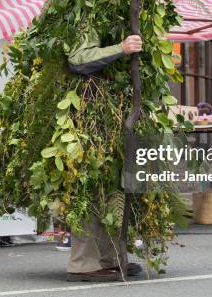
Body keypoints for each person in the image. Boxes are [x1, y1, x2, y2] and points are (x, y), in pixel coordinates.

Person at [64, 32, 144, 282]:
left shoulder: (116, 17)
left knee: (113, 188)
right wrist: (120, 48)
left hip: (110, 117)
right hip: (84, 118)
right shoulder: (88, 13)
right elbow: (77, 60)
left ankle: (109, 258)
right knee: (88, 188)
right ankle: (83, 264)